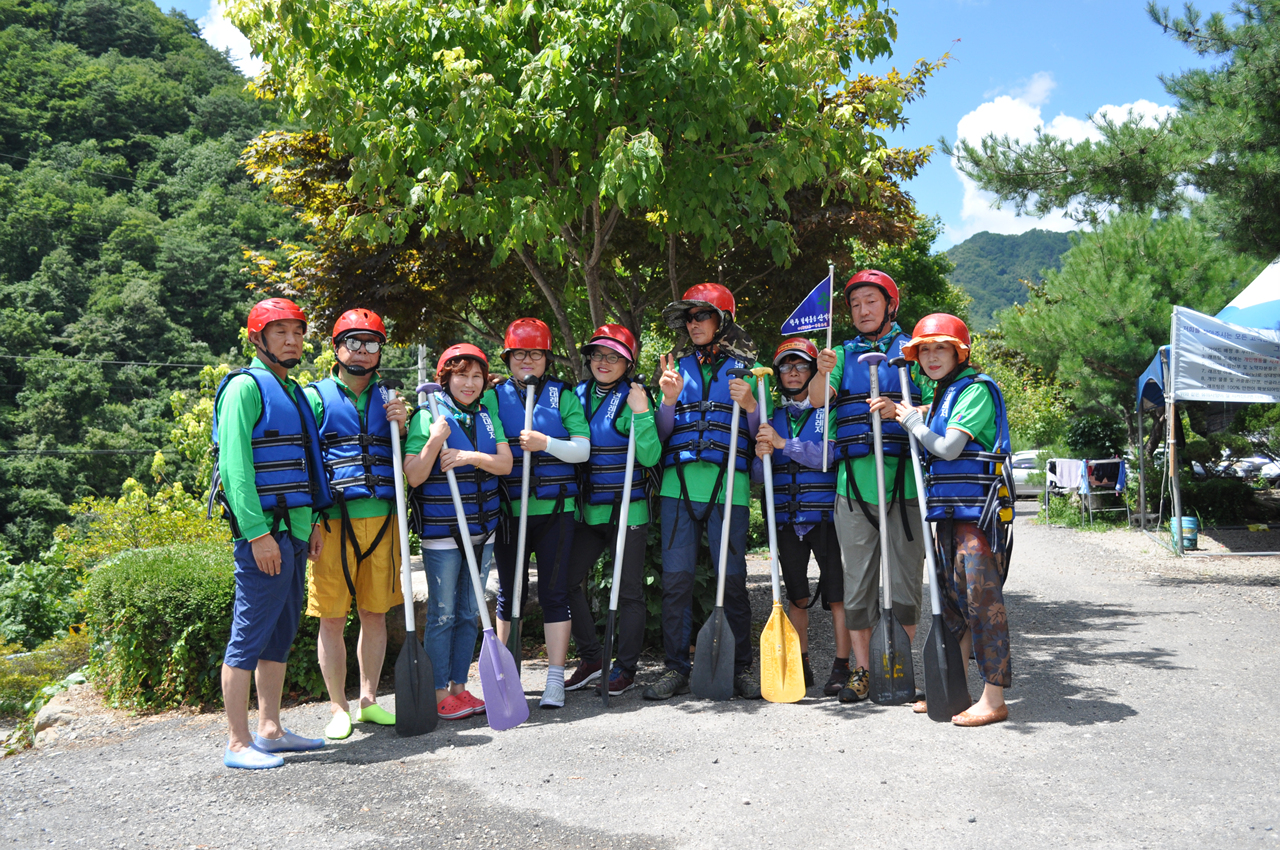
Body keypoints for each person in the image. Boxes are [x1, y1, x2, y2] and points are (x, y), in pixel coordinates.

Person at [210, 297, 331, 769]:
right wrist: (256, 533)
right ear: (257, 339)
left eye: (297, 332)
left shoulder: (293, 390)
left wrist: (314, 522)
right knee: (248, 636)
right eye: (280, 332)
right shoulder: (245, 388)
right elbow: (235, 467)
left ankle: (271, 730)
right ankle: (238, 743)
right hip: (265, 533)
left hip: (296, 530)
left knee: (280, 634)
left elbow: (305, 465)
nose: (292, 340)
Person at [882, 313, 1014, 727]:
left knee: (982, 603)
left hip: (978, 517)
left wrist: (913, 423)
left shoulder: (976, 390)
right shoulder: (944, 395)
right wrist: (910, 412)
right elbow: (931, 419)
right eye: (924, 350)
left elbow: (949, 448)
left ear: (960, 353)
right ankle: (951, 689)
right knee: (952, 605)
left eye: (941, 348)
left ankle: (994, 699)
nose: (932, 356)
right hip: (949, 515)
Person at [646, 283, 766, 701]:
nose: (693, 323)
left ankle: (741, 667)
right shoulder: (673, 369)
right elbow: (661, 435)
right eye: (689, 318)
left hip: (729, 489)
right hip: (678, 489)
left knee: (731, 581)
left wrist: (750, 406)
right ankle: (675, 667)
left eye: (702, 315)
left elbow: (761, 437)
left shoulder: (749, 371)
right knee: (676, 582)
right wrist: (668, 400)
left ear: (722, 320)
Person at [810, 270, 925, 705]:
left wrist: (903, 410)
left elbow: (940, 402)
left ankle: (896, 663)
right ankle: (862, 670)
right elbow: (818, 398)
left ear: (890, 305)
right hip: (853, 488)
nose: (862, 310)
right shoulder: (840, 354)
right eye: (856, 303)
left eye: (871, 301)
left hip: (904, 485)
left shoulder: (913, 350)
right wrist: (821, 372)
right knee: (857, 585)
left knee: (905, 585)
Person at [302, 309, 407, 739]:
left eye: (371, 343)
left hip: (383, 520)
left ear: (380, 351)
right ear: (337, 347)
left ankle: (368, 700)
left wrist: (403, 425)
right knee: (331, 617)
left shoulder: (392, 400)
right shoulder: (313, 397)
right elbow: (306, 463)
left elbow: (406, 457)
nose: (362, 351)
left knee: (374, 614)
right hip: (332, 522)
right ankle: (337, 707)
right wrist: (310, 520)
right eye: (354, 342)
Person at [404, 344, 513, 720]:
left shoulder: (486, 415)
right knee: (444, 613)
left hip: (482, 530)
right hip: (444, 532)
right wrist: (435, 439)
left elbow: (505, 463)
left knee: (470, 611)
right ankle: (437, 693)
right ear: (445, 379)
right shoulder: (427, 415)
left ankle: (459, 687)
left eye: (477, 376)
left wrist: (468, 457)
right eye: (461, 375)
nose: (470, 383)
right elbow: (414, 475)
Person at [490, 318, 591, 709]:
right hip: (509, 512)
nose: (527, 360)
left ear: (547, 358)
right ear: (508, 358)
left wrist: (546, 442)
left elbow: (582, 450)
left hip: (556, 510)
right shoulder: (493, 396)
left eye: (535, 353)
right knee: (509, 594)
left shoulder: (563, 396)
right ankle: (507, 676)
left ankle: (554, 679)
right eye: (519, 353)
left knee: (553, 593)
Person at [563, 325, 661, 697]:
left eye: (614, 357)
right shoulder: (577, 395)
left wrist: (642, 413)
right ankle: (591, 659)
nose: (603, 362)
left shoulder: (636, 396)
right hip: (589, 512)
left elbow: (650, 456)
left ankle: (626, 668)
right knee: (567, 582)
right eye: (598, 355)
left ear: (628, 363)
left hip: (627, 511)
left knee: (629, 592)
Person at [753, 338, 849, 695]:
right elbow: (758, 476)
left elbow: (830, 456)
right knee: (796, 597)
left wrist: (783, 444)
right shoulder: (770, 417)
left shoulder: (830, 411)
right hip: (786, 520)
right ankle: (800, 664)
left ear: (813, 371)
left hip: (825, 520)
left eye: (801, 366)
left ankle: (841, 665)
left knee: (837, 596)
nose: (793, 372)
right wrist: (761, 453)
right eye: (786, 366)